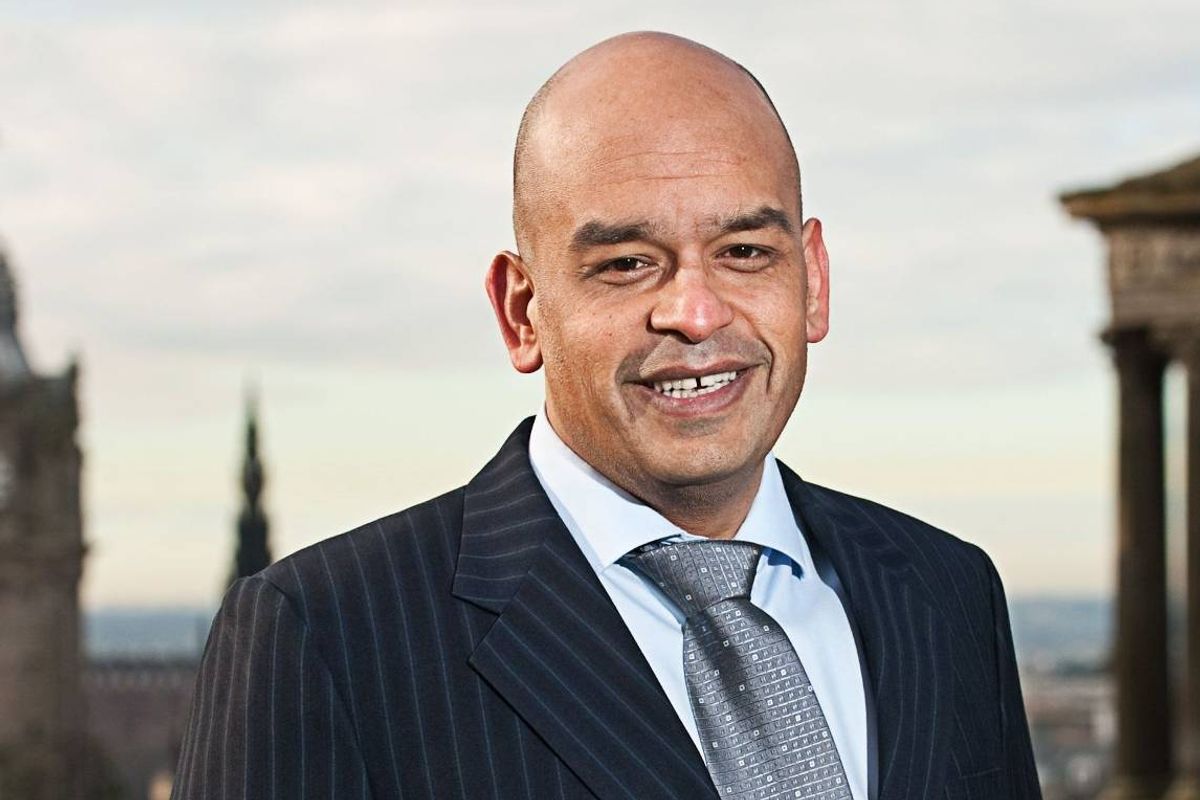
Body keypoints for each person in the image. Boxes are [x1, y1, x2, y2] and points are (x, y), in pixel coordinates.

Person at [170, 31, 1041, 800]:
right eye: (627, 264)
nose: (696, 314)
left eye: (745, 252)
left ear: (812, 280)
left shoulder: (947, 592)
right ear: (522, 311)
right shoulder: (328, 638)